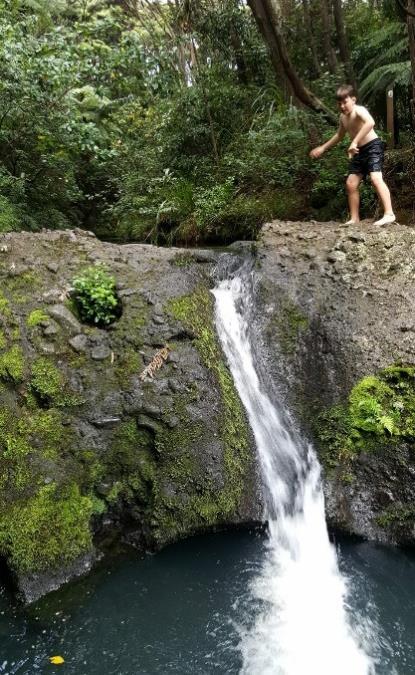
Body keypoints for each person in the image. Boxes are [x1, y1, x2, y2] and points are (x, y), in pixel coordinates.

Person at [309, 84, 395, 226]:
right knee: (351, 183)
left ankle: (389, 213)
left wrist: (354, 141)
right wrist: (323, 148)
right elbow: (339, 135)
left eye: (345, 102)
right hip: (358, 151)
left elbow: (370, 123)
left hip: (373, 146)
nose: (342, 106)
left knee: (375, 178)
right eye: (339, 103)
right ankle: (355, 218)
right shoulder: (343, 117)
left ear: (353, 100)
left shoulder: (359, 111)